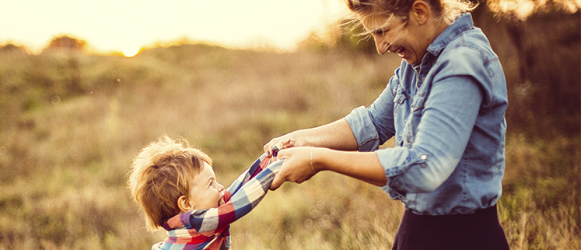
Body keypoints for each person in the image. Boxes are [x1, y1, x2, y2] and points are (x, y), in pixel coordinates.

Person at [263, 0, 509, 249]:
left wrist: (319, 159)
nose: (380, 47)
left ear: (420, 12)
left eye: (383, 31)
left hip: (462, 238)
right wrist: (303, 139)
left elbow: (425, 166)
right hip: (415, 231)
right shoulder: (416, 65)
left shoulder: (463, 62)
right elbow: (372, 123)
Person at [128, 136, 286, 250]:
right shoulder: (198, 222)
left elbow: (237, 189)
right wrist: (279, 166)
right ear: (186, 203)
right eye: (211, 183)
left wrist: (269, 157)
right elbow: (242, 201)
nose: (220, 187)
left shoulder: (186, 223)